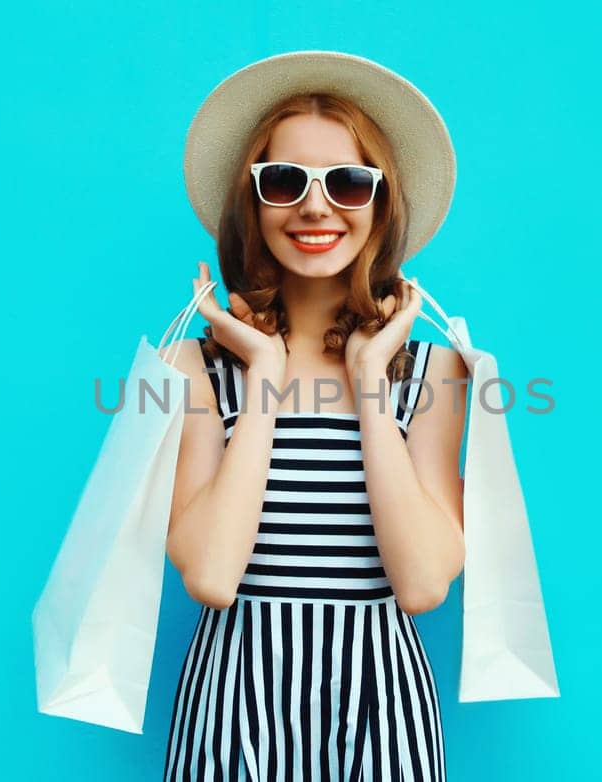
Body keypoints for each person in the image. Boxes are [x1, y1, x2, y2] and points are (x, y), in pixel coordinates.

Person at [159, 51, 467, 782]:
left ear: (381, 204)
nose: (317, 206)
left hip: (380, 717)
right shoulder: (195, 370)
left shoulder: (433, 373)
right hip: (232, 715)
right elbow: (209, 576)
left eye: (349, 181)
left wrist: (369, 383)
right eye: (286, 180)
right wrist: (263, 371)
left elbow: (422, 585)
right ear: (253, 200)